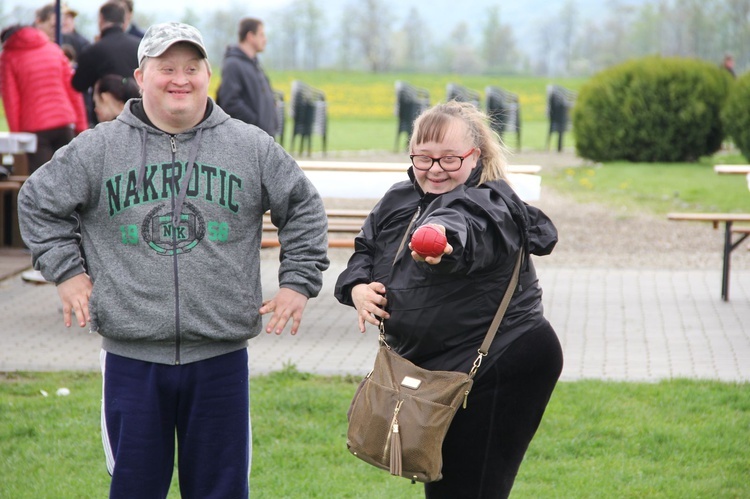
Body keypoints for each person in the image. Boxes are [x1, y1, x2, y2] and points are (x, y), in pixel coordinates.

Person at [17, 21, 329, 498]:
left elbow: (304, 208)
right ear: (141, 78)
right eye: (166, 68)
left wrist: (297, 281)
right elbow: (37, 201)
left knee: (221, 490)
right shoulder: (99, 148)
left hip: (221, 359)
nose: (179, 78)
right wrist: (67, 272)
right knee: (135, 489)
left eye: (191, 67)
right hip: (131, 358)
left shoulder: (249, 146)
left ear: (208, 74)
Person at [334, 101, 563, 498]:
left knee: (469, 490)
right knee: (443, 485)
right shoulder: (399, 198)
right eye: (424, 158)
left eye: (450, 159)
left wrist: (438, 244)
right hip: (443, 370)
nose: (436, 169)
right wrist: (357, 287)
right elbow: (365, 249)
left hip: (503, 364)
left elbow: (460, 227)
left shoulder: (486, 204)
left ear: (476, 157)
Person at [0, 23, 88, 173]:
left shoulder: (8, 57)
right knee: (71, 177)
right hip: (64, 122)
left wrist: (17, 136)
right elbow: (73, 90)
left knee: (42, 182)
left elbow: (11, 100)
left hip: (34, 128)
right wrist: (81, 126)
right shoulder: (53, 49)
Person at [72, 1, 140, 126]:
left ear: (101, 19)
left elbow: (78, 84)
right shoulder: (139, 46)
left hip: (104, 118)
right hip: (136, 112)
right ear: (124, 21)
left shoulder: (93, 50)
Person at [217, 17, 279, 137]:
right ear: (250, 36)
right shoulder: (233, 64)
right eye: (261, 35)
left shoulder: (254, 64)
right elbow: (230, 102)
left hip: (263, 139)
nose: (265, 39)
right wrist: (255, 125)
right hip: (249, 140)